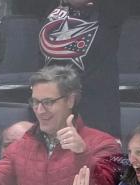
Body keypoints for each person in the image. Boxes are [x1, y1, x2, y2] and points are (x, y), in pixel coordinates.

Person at [39, 0, 129, 137]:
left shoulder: (110, 11)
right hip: (50, 102)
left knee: (105, 157)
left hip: (95, 108)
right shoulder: (51, 6)